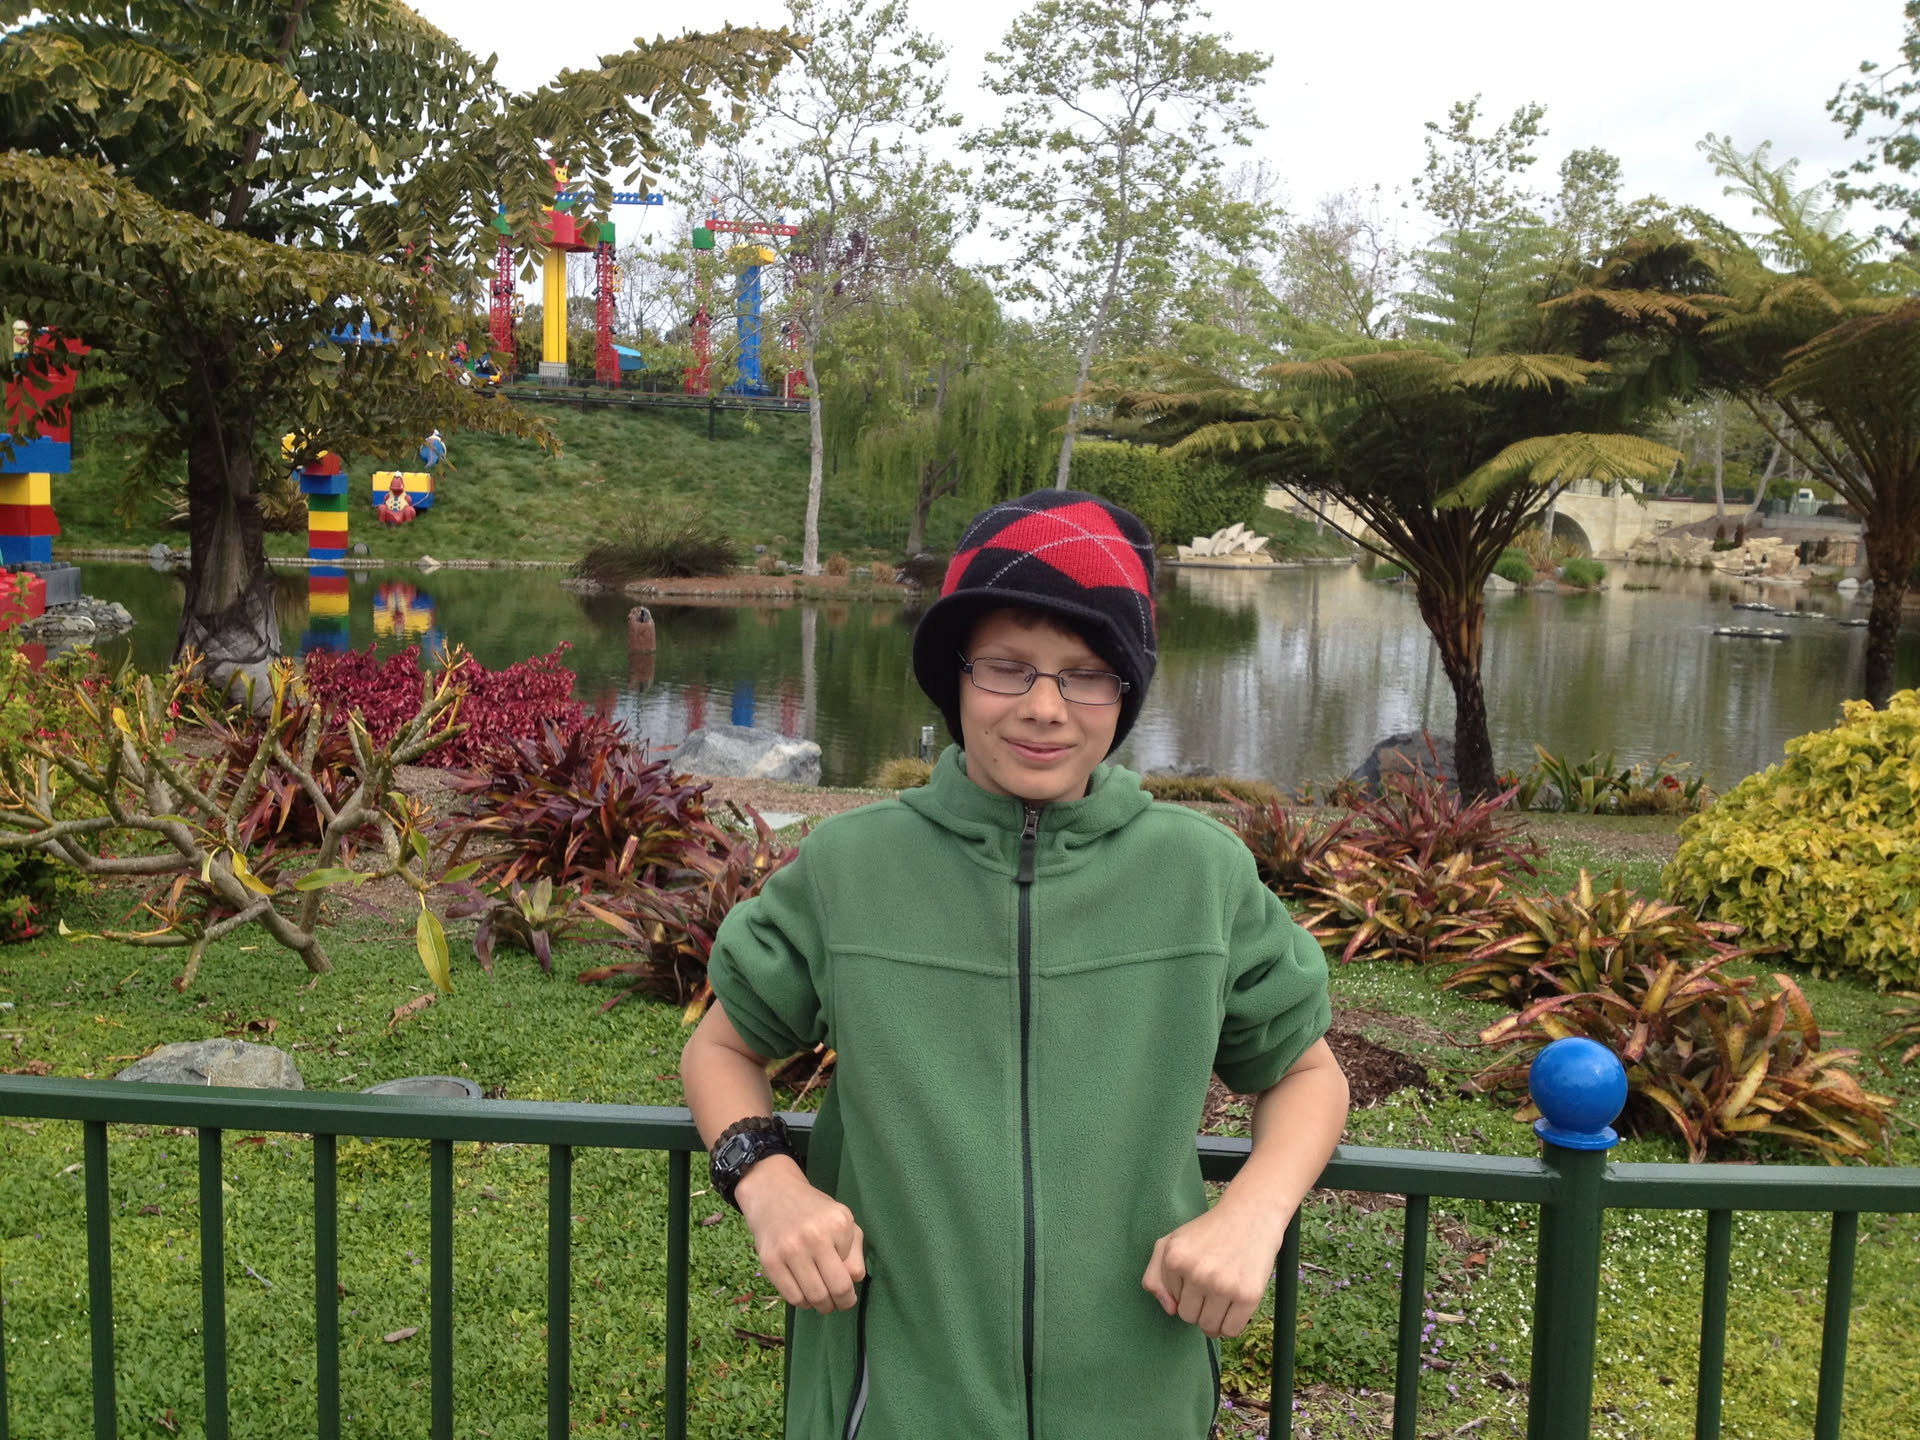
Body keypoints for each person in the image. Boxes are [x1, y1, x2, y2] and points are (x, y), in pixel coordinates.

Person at [680, 489, 1348, 1440]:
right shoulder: (850, 867)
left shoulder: (1200, 874)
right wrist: (767, 1182)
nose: (1044, 707)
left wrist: (1254, 1213)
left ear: (1126, 692)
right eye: (1007, 667)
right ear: (953, 678)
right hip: (890, 1400)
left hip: (1137, 1396)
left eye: (1086, 675)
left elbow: (1307, 1073)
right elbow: (721, 1047)